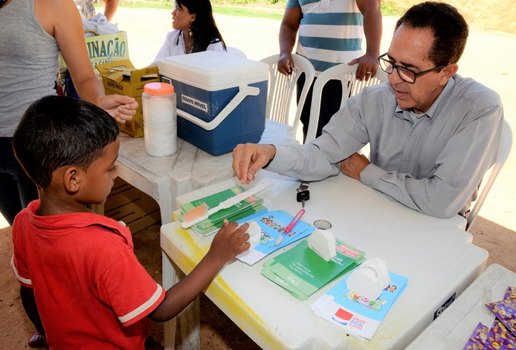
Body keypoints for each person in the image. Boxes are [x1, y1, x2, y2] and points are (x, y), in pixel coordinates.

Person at [10, 95, 250, 349]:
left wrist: (47, 335)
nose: (114, 175)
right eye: (110, 168)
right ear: (73, 180)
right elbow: (162, 309)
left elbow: (28, 292)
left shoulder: (23, 223)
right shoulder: (104, 247)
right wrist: (216, 255)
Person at [232, 2, 504, 219]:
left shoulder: (479, 109)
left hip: (439, 229)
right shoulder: (375, 99)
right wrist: (271, 154)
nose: (393, 79)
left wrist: (366, 172)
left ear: (446, 72)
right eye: (391, 62)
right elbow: (322, 155)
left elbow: (441, 201)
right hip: (377, 208)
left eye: (408, 69)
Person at [0, 0, 137, 346]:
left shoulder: (53, 5)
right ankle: (52, 331)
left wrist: (96, 102)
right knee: (27, 243)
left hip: (40, 148)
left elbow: (85, 75)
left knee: (63, 255)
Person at [277, 0, 382, 140]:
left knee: (337, 131)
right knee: (309, 125)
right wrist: (285, 52)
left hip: (342, 75)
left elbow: (372, 10)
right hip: (307, 73)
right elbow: (288, 24)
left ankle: (332, 162)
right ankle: (311, 159)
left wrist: (372, 53)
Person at [152, 0, 226, 63]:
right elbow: (157, 67)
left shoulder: (213, 46)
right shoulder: (172, 37)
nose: (173, 13)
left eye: (178, 9)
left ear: (193, 17)